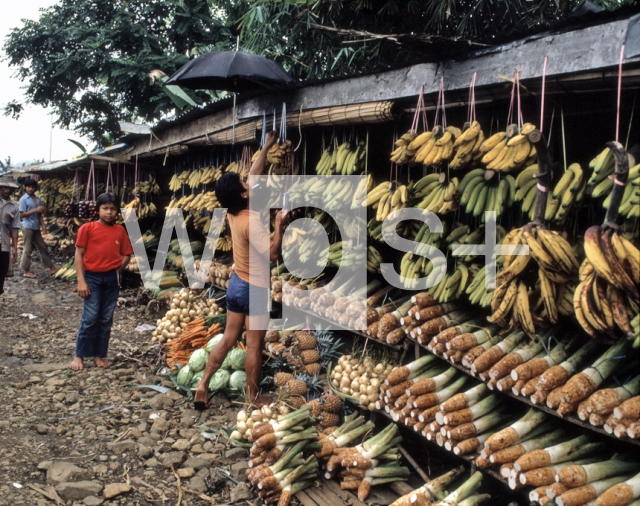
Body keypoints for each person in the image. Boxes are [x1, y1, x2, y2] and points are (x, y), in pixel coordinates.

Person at [194, 130, 287, 410]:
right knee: (254, 345)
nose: (248, 180)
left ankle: (203, 384)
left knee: (229, 337)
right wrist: (279, 227)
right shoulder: (252, 220)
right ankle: (252, 397)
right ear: (244, 193)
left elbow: (254, 175)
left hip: (236, 284)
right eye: (244, 182)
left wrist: (267, 145)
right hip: (255, 288)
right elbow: (272, 254)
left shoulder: (235, 212)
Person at [69, 193, 133, 371]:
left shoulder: (120, 230)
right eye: (105, 208)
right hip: (92, 278)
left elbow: (127, 254)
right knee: (90, 318)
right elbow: (79, 255)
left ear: (117, 212)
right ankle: (79, 355)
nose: (109, 212)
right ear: (97, 210)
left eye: (113, 209)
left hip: (111, 278)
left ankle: (99, 356)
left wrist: (116, 270)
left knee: (105, 319)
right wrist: (81, 281)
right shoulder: (87, 228)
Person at [19, 178, 57, 278]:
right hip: (27, 227)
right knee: (28, 249)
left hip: (36, 227)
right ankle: (26, 271)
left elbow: (40, 214)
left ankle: (51, 268)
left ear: (35, 188)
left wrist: (43, 226)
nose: (30, 189)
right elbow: (21, 215)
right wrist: (35, 210)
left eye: (32, 187)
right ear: (25, 187)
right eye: (28, 187)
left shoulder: (38, 198)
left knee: (43, 247)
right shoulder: (23, 199)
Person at [0, 175, 20, 296]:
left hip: (4, 244)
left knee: (1, 273)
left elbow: (14, 228)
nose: (8, 190)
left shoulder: (14, 207)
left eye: (10, 188)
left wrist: (15, 248)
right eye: (5, 187)